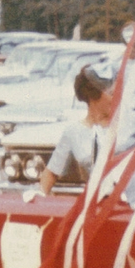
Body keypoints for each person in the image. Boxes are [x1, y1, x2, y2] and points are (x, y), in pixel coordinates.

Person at [40, 65, 114, 194]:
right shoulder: (73, 132)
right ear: (93, 95)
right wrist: (39, 197)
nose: (117, 99)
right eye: (111, 94)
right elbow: (51, 173)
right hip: (99, 203)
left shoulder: (128, 124)